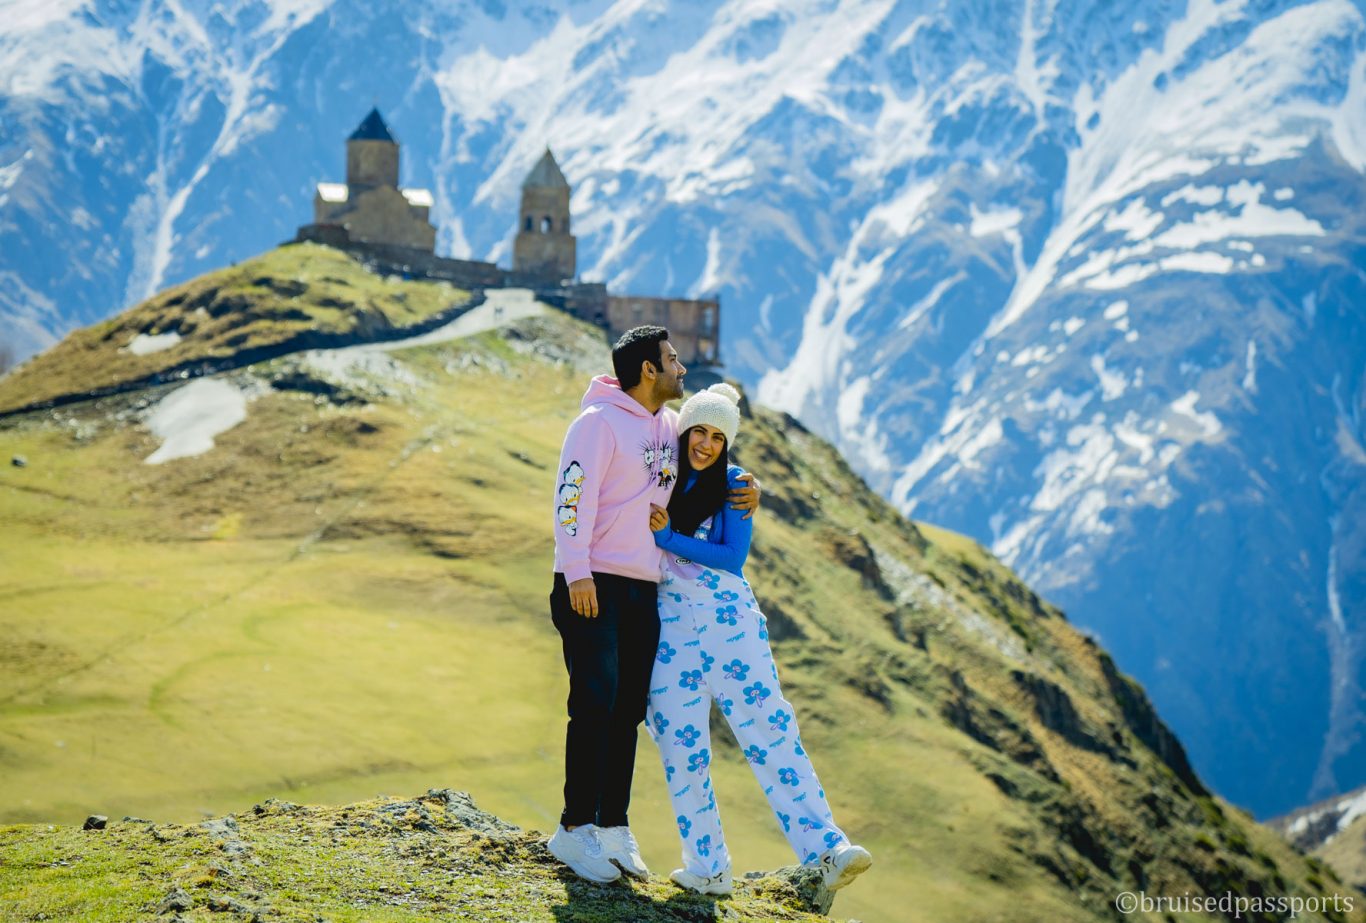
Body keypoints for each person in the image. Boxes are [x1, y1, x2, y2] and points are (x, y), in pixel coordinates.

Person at [545, 327, 760, 884]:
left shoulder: (669, 426)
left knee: (627, 711)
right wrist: (577, 574)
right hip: (593, 583)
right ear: (647, 369)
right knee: (593, 704)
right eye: (671, 359)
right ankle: (573, 830)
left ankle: (613, 827)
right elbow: (572, 499)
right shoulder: (595, 424)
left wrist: (746, 487)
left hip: (644, 589)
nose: (680, 367)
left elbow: (705, 468)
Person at [644, 383, 872, 896]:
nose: (705, 443)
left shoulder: (737, 484)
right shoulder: (657, 474)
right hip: (670, 631)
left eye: (718, 437)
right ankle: (707, 868)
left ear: (728, 443)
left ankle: (828, 851)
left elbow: (731, 557)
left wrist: (668, 539)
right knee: (681, 748)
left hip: (728, 623)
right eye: (698, 430)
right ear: (682, 431)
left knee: (770, 730)